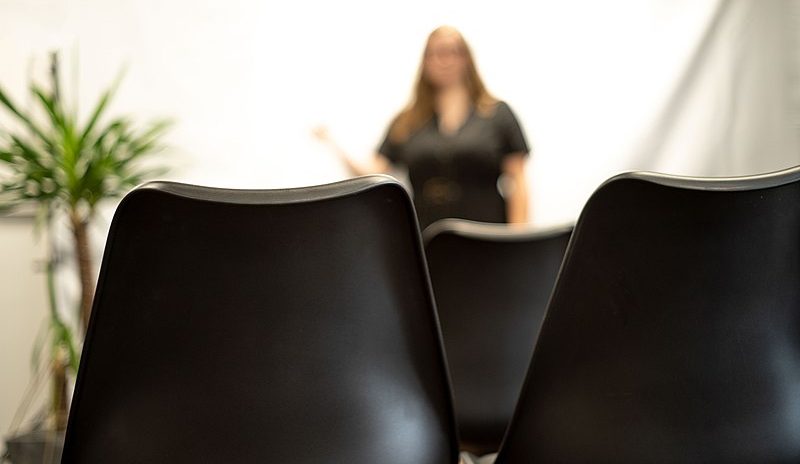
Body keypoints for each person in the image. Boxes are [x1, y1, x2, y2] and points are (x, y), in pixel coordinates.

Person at [315, 26, 531, 229]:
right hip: (426, 235)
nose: (444, 60)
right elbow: (372, 172)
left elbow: (518, 180)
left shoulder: (497, 114)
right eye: (435, 53)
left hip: (486, 233)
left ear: (467, 58)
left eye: (452, 52)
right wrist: (333, 144)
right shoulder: (407, 121)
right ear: (425, 61)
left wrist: (518, 237)